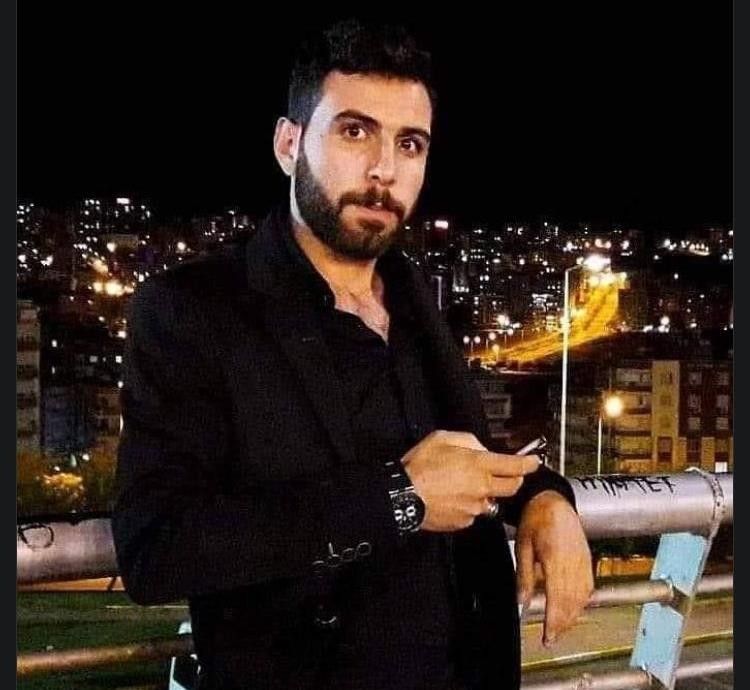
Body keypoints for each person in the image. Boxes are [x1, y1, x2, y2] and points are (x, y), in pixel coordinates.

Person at [113, 18, 593, 690]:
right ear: (288, 144)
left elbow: (467, 456)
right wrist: (397, 498)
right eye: (354, 132)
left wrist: (545, 497)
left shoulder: (413, 293)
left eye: (409, 143)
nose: (383, 170)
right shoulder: (193, 310)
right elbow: (156, 547)